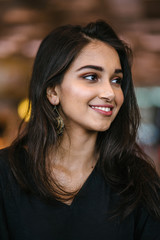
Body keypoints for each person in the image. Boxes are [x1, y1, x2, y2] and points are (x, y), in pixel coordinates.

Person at [0, 20, 160, 240]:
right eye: (91, 77)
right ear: (52, 92)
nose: (110, 93)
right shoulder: (6, 173)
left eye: (116, 80)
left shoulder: (137, 179)